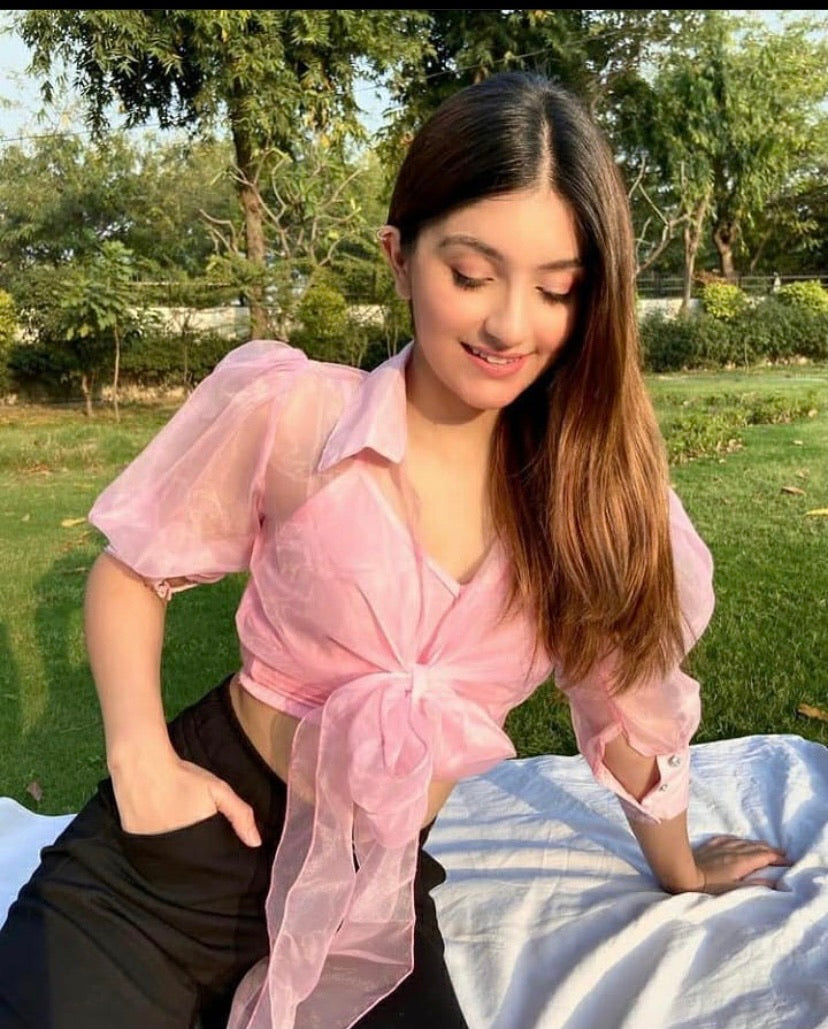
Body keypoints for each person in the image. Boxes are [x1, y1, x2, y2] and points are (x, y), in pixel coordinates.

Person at [0, 71, 789, 1029]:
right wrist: (140, 762)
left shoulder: (600, 503)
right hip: (174, 866)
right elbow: (133, 571)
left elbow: (629, 710)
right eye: (471, 274)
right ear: (400, 256)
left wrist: (680, 865)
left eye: (556, 289)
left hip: (365, 902)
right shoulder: (295, 415)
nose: (509, 324)